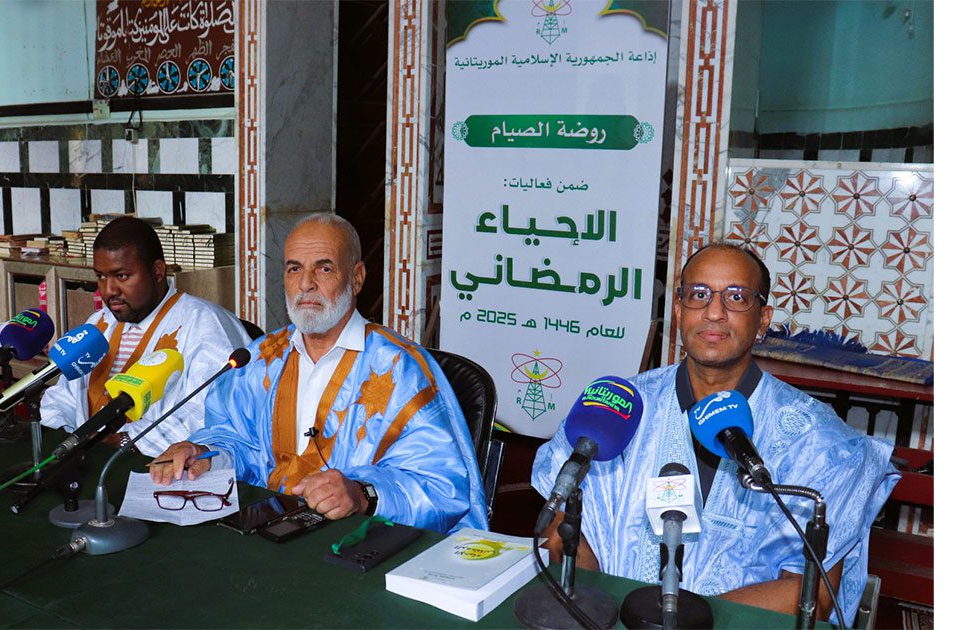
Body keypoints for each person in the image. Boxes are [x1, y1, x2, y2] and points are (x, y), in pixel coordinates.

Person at [531, 242, 899, 625]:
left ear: (763, 319)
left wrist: (690, 620)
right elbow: (564, 529)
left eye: (736, 297)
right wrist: (599, 607)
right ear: (678, 310)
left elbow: (813, 595)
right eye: (698, 294)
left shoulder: (819, 442)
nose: (714, 312)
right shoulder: (618, 408)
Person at [149, 214, 488, 534]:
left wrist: (362, 494)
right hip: (266, 534)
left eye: (324, 268)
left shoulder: (402, 369)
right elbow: (237, 440)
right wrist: (205, 455)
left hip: (360, 542)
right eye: (294, 268)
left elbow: (442, 487)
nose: (305, 284)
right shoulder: (260, 358)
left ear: (357, 278)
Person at [40, 216, 252, 457]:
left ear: (157, 271)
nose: (109, 290)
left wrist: (125, 440)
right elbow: (64, 397)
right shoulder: (99, 324)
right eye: (101, 276)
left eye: (122, 276)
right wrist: (62, 432)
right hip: (85, 461)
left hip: (161, 467)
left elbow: (211, 415)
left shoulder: (205, 324)